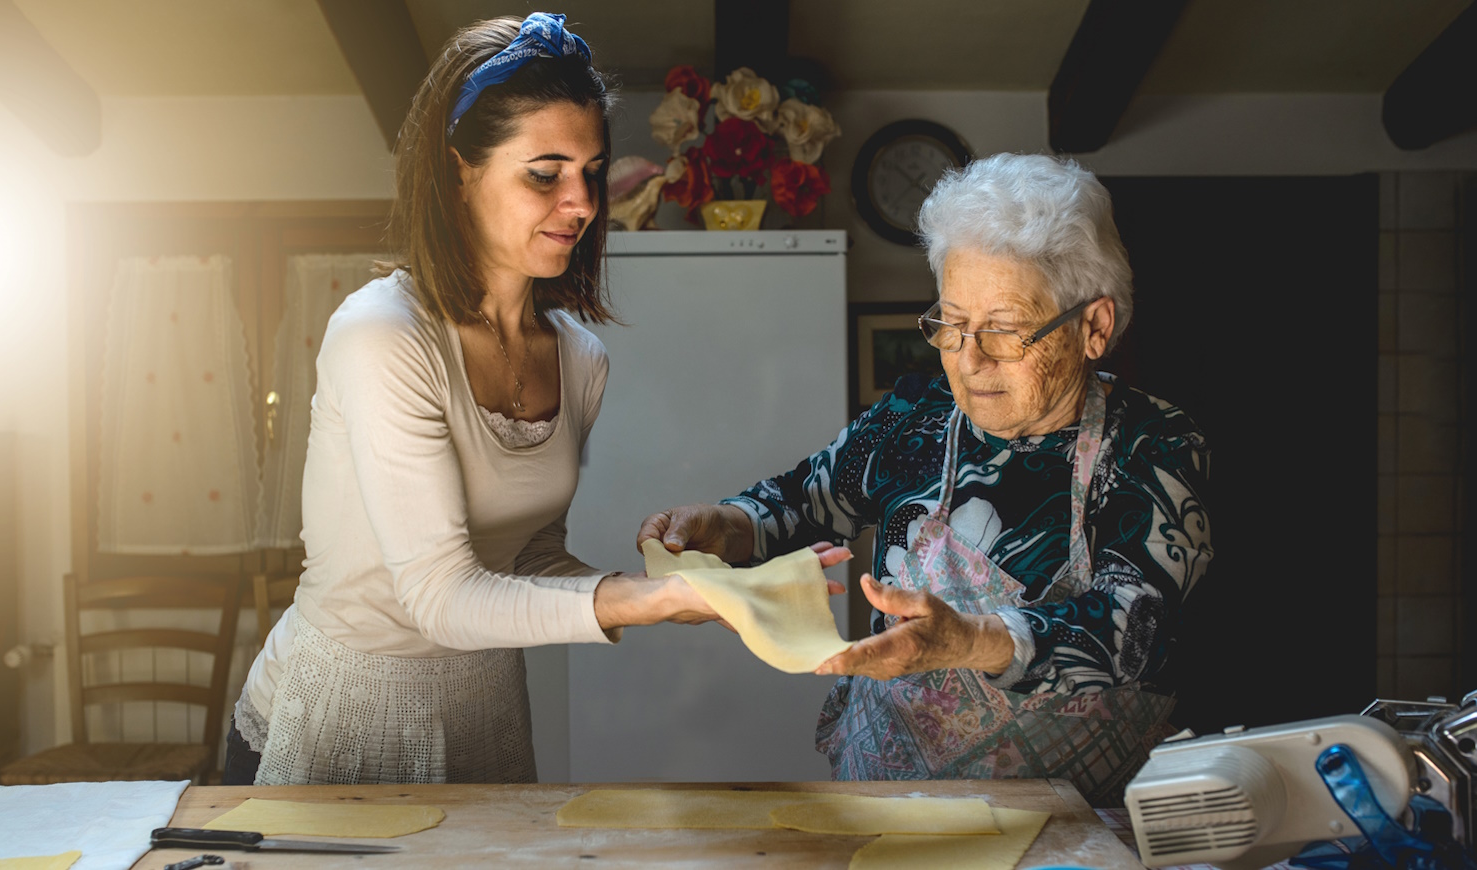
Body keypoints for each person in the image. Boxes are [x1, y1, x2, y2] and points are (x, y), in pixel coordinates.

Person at [225, 13, 846, 786]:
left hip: (487, 702)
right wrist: (636, 604)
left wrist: (686, 589)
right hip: (341, 710)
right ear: (460, 172)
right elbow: (440, 599)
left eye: (591, 171)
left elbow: (529, 560)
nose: (581, 203)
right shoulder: (382, 336)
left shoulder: (580, 359)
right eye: (544, 173)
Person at [639, 153, 1211, 806]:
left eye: (1003, 330)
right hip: (892, 805)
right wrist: (727, 523)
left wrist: (970, 642)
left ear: (1093, 327)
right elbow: (803, 502)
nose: (967, 360)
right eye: (950, 322)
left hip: (1066, 819)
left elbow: (1136, 626)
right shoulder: (916, 416)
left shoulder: (1150, 444)